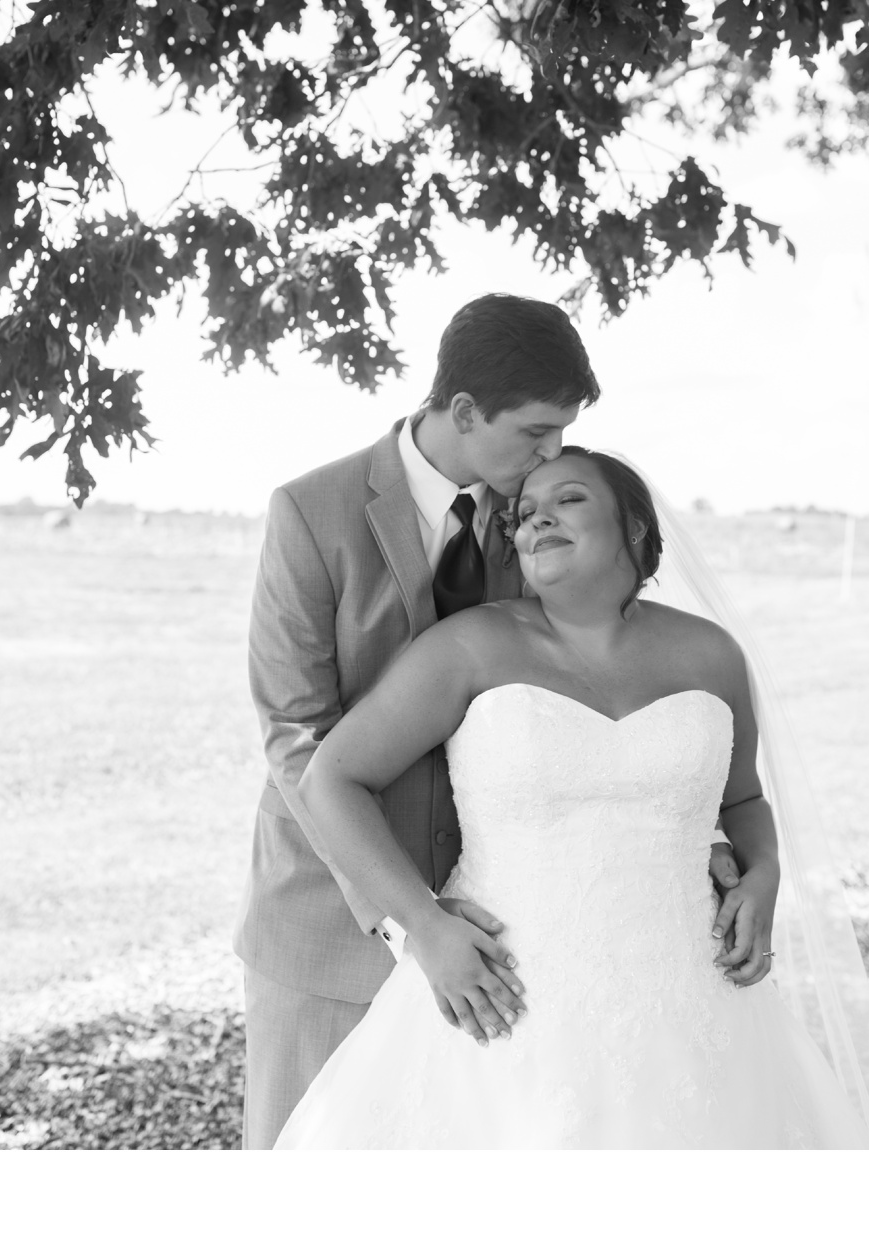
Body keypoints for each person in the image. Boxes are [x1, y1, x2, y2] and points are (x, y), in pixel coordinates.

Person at [273, 448, 869, 1147]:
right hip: (505, 997)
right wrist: (424, 927)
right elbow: (330, 780)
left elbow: (744, 800)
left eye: (567, 499)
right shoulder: (468, 647)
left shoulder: (711, 655)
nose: (535, 518)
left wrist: (764, 874)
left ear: (634, 527)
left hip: (695, 995)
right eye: (522, 513)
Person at [233, 293, 623, 1147]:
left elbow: (594, 680)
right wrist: (412, 916)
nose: (554, 451)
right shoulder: (311, 512)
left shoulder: (541, 513)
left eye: (563, 430)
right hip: (329, 926)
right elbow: (296, 733)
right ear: (463, 410)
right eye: (535, 432)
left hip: (504, 929)